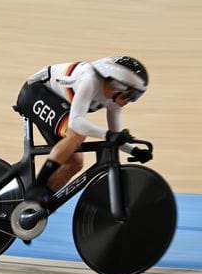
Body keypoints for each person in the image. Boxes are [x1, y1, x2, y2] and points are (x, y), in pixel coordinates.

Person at [14, 56, 152, 206]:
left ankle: (35, 205)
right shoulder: (90, 80)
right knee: (78, 134)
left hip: (60, 104)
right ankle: (37, 187)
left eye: (136, 97)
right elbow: (77, 122)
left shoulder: (114, 100)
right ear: (118, 84)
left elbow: (115, 136)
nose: (130, 101)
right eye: (131, 95)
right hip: (36, 92)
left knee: (75, 163)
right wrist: (109, 135)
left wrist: (135, 151)